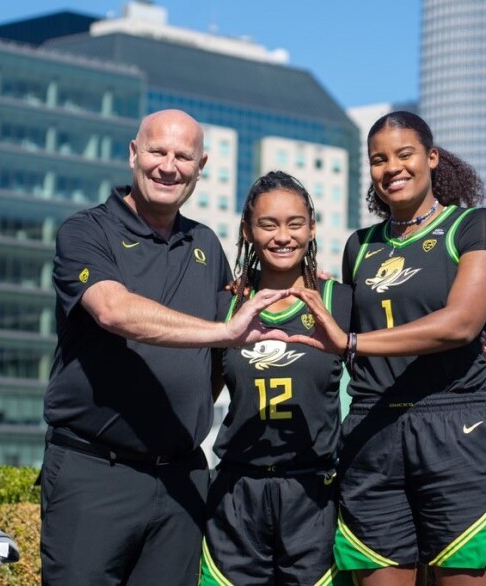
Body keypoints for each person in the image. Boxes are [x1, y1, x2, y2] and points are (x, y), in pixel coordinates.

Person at [40, 109, 289, 586]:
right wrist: (223, 333)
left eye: (183, 156)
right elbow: (114, 311)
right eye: (157, 151)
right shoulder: (85, 231)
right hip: (95, 473)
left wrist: (303, 280)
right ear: (134, 153)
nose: (168, 166)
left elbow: (229, 338)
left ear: (202, 165)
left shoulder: (206, 244)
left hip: (182, 478)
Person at [290, 111, 486, 585]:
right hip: (371, 431)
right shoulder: (360, 246)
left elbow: (460, 323)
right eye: (378, 159)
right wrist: (247, 288)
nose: (391, 167)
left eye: (404, 154)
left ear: (431, 158)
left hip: (457, 428)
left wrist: (353, 342)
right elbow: (346, 313)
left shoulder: (476, 225)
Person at [200, 171, 352, 585]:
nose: (282, 236)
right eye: (268, 224)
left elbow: (395, 359)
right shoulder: (224, 306)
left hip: (313, 495)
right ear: (247, 231)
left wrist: (477, 342)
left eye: (294, 223)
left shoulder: (341, 300)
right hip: (236, 495)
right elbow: (198, 387)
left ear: (312, 228)